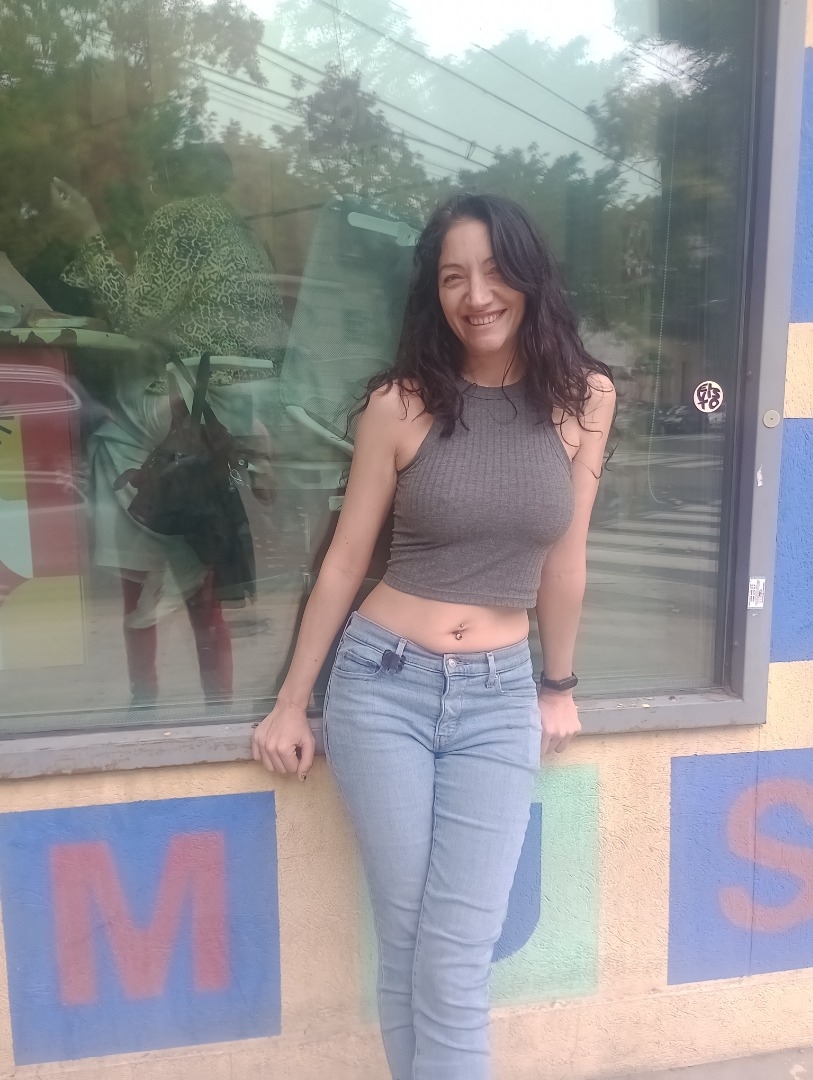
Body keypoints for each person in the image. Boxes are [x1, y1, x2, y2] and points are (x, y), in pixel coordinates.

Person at [252, 192, 615, 1079]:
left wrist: (557, 685)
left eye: (493, 272)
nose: (476, 295)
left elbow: (564, 560)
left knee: (454, 953)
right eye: (454, 277)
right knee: (410, 937)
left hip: (497, 695)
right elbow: (345, 561)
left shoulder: (584, 399)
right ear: (433, 293)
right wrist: (292, 702)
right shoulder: (399, 403)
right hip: (383, 685)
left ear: (528, 278)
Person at [50, 143, 283, 707]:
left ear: (166, 178)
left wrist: (87, 229)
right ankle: (212, 688)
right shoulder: (241, 228)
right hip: (243, 407)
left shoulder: (181, 217)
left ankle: (139, 574)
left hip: (200, 399)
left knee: (107, 435)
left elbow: (137, 314)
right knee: (194, 559)